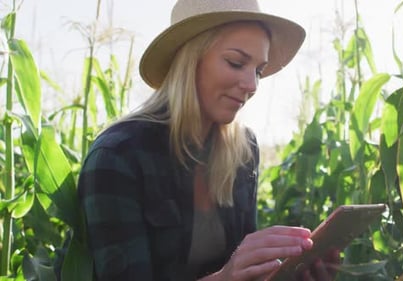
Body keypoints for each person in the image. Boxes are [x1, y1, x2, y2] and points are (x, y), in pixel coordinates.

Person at [77, 0, 338, 280]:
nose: (252, 85)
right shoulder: (119, 155)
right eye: (236, 63)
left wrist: (288, 273)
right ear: (189, 61)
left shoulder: (243, 150)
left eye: (258, 71)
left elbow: (243, 273)